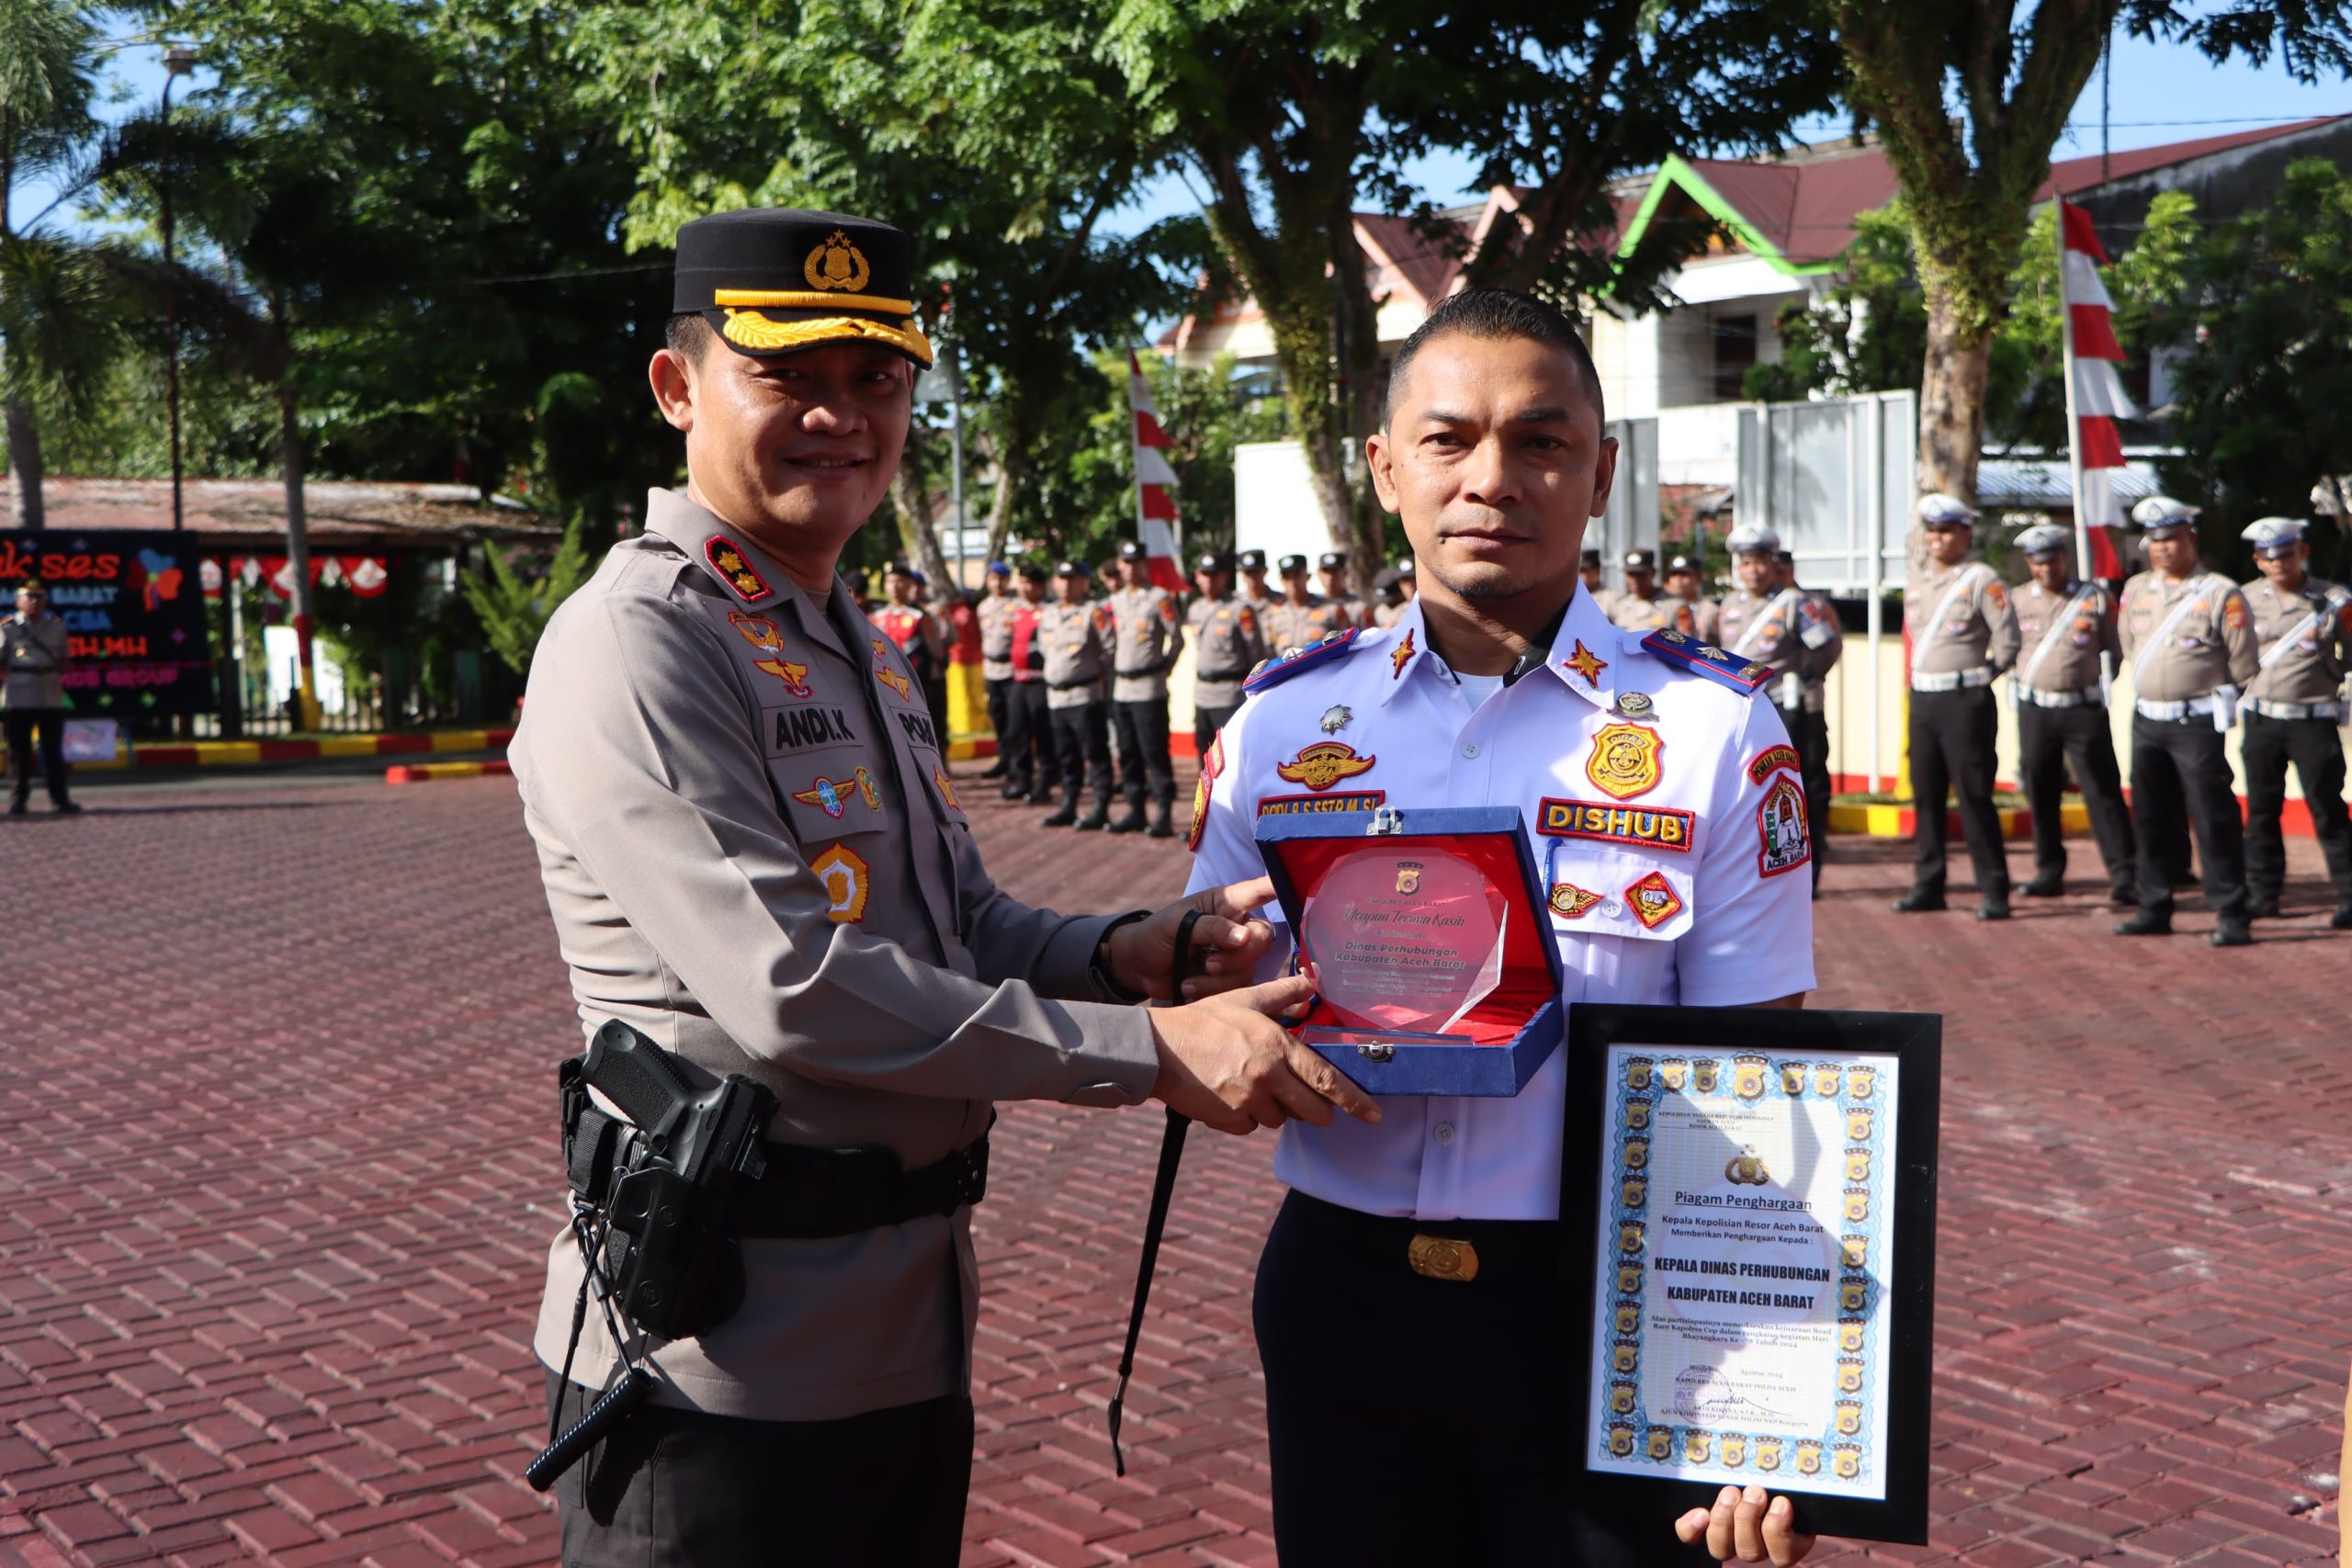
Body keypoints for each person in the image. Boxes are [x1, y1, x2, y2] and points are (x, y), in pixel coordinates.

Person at [509, 207, 1372, 1568]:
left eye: (877, 379)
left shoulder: (851, 632)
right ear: (679, 388)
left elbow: (960, 921)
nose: (840, 417)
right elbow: (792, 985)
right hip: (714, 1367)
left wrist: (1132, 949)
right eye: (787, 374)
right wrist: (1148, 1051)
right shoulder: (640, 639)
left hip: (904, 1337)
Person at [1187, 288, 1818, 1568]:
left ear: (1601, 472)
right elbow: (1214, 1028)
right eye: (1448, 438)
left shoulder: (1713, 733)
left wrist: (1772, 1410)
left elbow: (1759, 1086)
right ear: (1383, 466)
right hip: (1341, 1293)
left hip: (1599, 1303)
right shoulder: (1280, 729)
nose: (1492, 476)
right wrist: (1218, 1040)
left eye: (1540, 439)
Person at [2115, 495, 2258, 945]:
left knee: (2212, 816)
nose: (2161, 549)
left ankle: (2231, 911)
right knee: (2152, 817)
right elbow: (2127, 646)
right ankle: (2154, 904)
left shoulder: (2219, 592)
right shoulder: (2136, 589)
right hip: (2147, 720)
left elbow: (2243, 662)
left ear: (2190, 539)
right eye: (2154, 541)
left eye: (2171, 539)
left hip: (2195, 722)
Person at [1894, 493, 2018, 920]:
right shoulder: (1917, 581)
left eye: (1946, 530)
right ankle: (1929, 884)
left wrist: (1985, 676)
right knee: (1926, 795)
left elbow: (2008, 638)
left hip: (1965, 699)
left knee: (1973, 795)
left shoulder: (1981, 578)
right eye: (1931, 531)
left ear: (1965, 533)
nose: (1937, 539)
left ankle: (1994, 889)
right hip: (1924, 698)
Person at [2007, 524, 2137, 904]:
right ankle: (2049, 870)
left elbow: (2115, 649)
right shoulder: (2015, 601)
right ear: (2029, 563)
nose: (2046, 569)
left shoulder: (2092, 598)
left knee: (2102, 790)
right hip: (2036, 709)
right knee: (2040, 790)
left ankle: (2124, 874)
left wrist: (2096, 683)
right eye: (2037, 562)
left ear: (2065, 557)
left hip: (2083, 709)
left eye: (2053, 560)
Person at [2235, 515, 2352, 926]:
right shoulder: (2243, 599)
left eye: (2285, 553)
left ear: (2302, 552)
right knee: (2263, 811)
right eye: (2269, 557)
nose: (2278, 562)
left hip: (2312, 721)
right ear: (2257, 560)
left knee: (2327, 810)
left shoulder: (2334, 600)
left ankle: (2349, 896)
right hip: (2262, 720)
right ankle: (2264, 894)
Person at [1716, 530, 1833, 897]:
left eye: (1760, 562)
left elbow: (1825, 643)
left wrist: (1809, 676)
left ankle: (1806, 874)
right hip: (1739, 711)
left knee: (1799, 791)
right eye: (1746, 562)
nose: (1753, 570)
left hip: (1785, 708)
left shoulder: (1793, 603)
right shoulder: (1728, 605)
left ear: (1774, 563)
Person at [1105, 539, 1182, 837]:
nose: (1130, 567)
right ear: (1120, 565)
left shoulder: (1159, 597)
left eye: (1136, 562)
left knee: (1154, 752)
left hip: (1149, 687)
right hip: (1122, 687)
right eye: (1125, 562)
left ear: (1143, 564)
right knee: (1127, 752)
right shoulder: (1116, 600)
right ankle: (1135, 809)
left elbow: (1177, 639)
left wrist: (1164, 669)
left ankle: (1163, 812)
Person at [1780, 547, 1842, 897]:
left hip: (1805, 709)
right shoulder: (1747, 605)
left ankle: (1811, 869)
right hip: (1770, 707)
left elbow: (1828, 646)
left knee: (1810, 788)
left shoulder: (1806, 605)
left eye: (1781, 565)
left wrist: (1808, 674)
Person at [1039, 558, 1115, 829]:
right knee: (1066, 755)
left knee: (1094, 753)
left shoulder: (1092, 612)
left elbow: (1109, 650)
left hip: (1084, 695)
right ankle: (1068, 805)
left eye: (1072, 579)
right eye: (1061, 578)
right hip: (1056, 697)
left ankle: (1100, 807)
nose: (1066, 584)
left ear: (1084, 582)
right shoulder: (1048, 613)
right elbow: (1045, 650)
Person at [3, 581, 78, 816]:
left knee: (53, 751)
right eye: (29, 596)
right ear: (18, 601)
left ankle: (60, 799)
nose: (34, 601)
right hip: (19, 695)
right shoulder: (7, 628)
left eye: (39, 597)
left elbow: (65, 660)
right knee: (18, 752)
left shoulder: (56, 627)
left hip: (49, 693)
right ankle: (18, 800)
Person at [1185, 550, 1262, 760]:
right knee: (1205, 755)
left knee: (1230, 756)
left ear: (1225, 577)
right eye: (1204, 574)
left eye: (1214, 574)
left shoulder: (1240, 609)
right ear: (1197, 576)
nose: (1209, 580)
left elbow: (1255, 653)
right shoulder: (1195, 609)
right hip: (1203, 693)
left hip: (1229, 693)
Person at [871, 558, 947, 736]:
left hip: (916, 683)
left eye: (899, 581)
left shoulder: (919, 617)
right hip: (887, 685)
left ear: (909, 585)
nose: (894, 587)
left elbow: (936, 652)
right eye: (890, 581)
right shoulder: (878, 617)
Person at [1002, 562, 1055, 803]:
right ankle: (1022, 780)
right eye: (1021, 582)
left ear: (1041, 586)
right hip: (1018, 679)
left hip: (1039, 679)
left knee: (1041, 732)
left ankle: (1044, 783)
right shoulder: (1015, 611)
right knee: (1017, 732)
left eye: (1029, 583)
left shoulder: (1049, 612)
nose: (1024, 588)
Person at [974, 560, 1016, 779]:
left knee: (1014, 719)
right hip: (992, 668)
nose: (997, 583)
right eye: (993, 578)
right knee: (998, 715)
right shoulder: (984, 607)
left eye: (1001, 578)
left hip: (1011, 668)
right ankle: (1003, 758)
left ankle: (1016, 762)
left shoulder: (1016, 605)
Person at [1602, 546, 1698, 634]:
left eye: (1640, 574)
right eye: (1630, 574)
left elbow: (1687, 645)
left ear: (1653, 572)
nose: (1635, 579)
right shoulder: (1619, 607)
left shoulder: (1675, 606)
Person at [1265, 552, 1347, 649]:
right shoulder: (1275, 616)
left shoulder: (1331, 609)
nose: (1292, 582)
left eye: (1296, 575)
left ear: (1307, 576)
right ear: (1281, 580)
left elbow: (1346, 643)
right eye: (1287, 577)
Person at [1664, 552, 1721, 642]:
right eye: (1674, 574)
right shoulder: (1662, 607)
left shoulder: (1710, 610)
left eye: (1684, 574)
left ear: (1699, 577)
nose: (1678, 579)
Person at [1317, 549, 1372, 628]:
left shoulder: (1359, 606)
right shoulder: (1312, 606)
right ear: (1319, 574)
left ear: (1345, 573)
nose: (1330, 577)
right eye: (1326, 571)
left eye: (1335, 571)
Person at [1237, 548, 1276, 617]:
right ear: (1242, 574)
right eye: (1248, 573)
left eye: (1256, 572)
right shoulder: (1235, 602)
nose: (1252, 577)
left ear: (1265, 571)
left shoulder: (1281, 601)